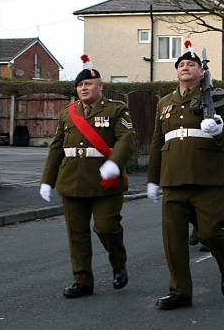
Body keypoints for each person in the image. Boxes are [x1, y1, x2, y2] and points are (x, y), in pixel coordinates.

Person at [146, 40, 224, 310]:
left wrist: (219, 130)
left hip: (207, 177)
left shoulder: (217, 96)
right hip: (173, 178)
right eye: (181, 65)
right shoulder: (165, 102)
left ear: (201, 71)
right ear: (177, 72)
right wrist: (153, 178)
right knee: (173, 240)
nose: (185, 67)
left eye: (191, 64)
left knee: (210, 233)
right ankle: (180, 291)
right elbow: (156, 141)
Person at [40, 55, 136, 298]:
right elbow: (56, 147)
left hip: (106, 181)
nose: (84, 88)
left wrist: (115, 163)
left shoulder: (116, 109)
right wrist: (47, 180)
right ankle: (82, 280)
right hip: (72, 181)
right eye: (80, 85)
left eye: (89, 84)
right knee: (77, 234)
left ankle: (118, 263)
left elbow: (127, 139)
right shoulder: (68, 114)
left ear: (100, 86)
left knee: (106, 227)